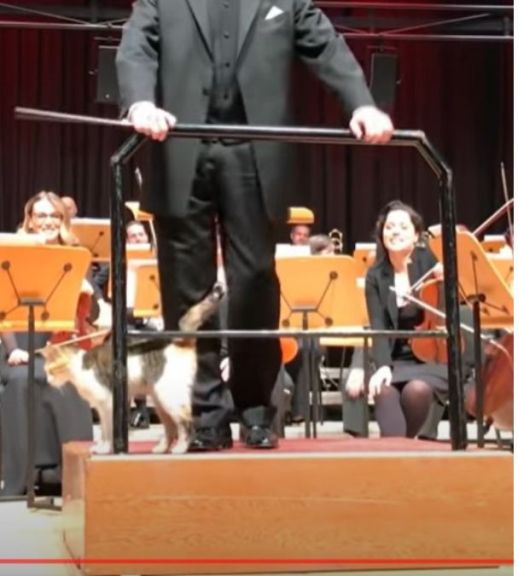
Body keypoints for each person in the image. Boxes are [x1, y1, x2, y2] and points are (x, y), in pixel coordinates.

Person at [117, 0, 394, 450]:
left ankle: (255, 409)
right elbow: (136, 48)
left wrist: (361, 104)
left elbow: (328, 47)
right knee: (187, 292)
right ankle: (203, 414)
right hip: (181, 144)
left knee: (256, 282)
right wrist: (141, 102)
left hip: (255, 152)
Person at [0, 192, 94, 496]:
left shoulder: (77, 254)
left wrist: (87, 292)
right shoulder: (10, 251)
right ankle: (20, 480)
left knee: (67, 381)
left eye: (54, 216)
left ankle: (68, 475)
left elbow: (86, 315)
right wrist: (12, 348)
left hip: (60, 345)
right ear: (29, 219)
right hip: (16, 340)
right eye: (41, 215)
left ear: (63, 219)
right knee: (20, 379)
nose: (48, 222)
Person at [344, 201, 447, 438]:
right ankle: (401, 456)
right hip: (394, 360)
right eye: (389, 227)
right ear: (382, 234)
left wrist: (444, 280)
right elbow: (378, 326)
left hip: (433, 359)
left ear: (416, 235)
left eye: (403, 226)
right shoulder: (376, 276)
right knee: (383, 390)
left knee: (417, 390)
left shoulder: (430, 263)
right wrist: (382, 366)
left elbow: (445, 316)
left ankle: (400, 453)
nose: (395, 231)